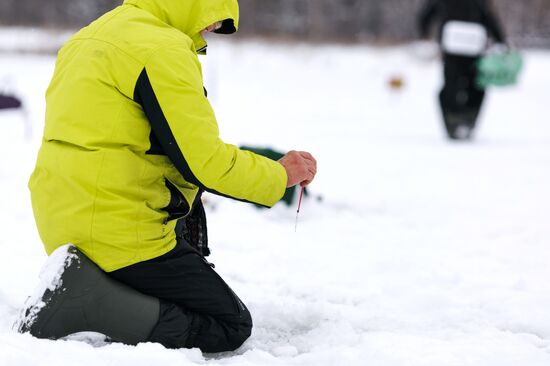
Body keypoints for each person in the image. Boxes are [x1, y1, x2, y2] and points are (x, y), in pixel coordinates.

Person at [17, 0, 317, 353]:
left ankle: (89, 282)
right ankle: (88, 303)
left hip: (62, 222)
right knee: (229, 324)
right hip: (119, 234)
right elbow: (204, 162)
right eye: (216, 21)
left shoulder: (89, 36)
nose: (211, 31)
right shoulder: (162, 48)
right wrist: (278, 174)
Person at [418, 0, 506, 140]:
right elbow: (487, 16)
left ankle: (456, 121)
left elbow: (428, 14)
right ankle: (465, 120)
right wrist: (500, 40)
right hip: (468, 45)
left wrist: (424, 33)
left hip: (459, 46)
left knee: (454, 86)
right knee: (472, 85)